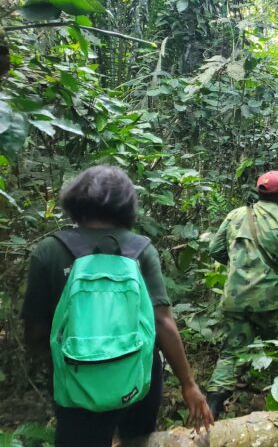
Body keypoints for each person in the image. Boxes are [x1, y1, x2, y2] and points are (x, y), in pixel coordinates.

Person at [21, 165, 213, 447]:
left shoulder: (49, 250)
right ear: (128, 205)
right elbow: (162, 322)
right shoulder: (140, 249)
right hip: (138, 380)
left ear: (75, 201)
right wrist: (189, 385)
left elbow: (35, 330)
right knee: (137, 440)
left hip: (77, 380)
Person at [206, 170, 278, 418]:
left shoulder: (235, 216)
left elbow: (215, 249)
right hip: (273, 302)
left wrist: (238, 266)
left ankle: (209, 412)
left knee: (230, 354)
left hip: (235, 299)